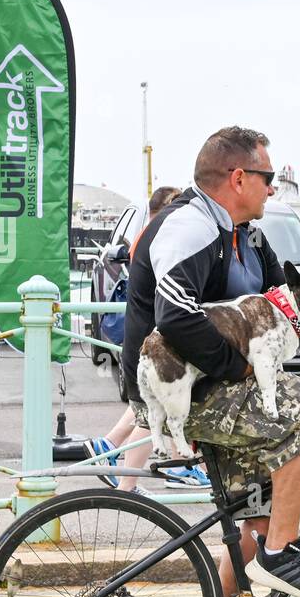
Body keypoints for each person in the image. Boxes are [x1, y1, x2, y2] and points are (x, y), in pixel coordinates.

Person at [122, 126, 300, 597]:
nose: (273, 188)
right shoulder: (190, 226)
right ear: (238, 177)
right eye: (269, 178)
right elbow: (175, 317)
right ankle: (283, 553)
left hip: (213, 384)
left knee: (257, 516)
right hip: (179, 386)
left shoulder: (248, 234)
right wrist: (239, 368)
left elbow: (295, 312)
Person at [84, 186, 211, 493]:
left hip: (147, 327)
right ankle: (130, 465)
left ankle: (133, 458)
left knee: (154, 406)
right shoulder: (163, 236)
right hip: (155, 331)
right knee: (152, 407)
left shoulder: (146, 234)